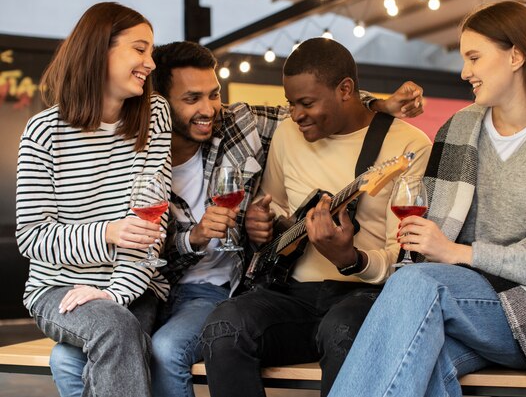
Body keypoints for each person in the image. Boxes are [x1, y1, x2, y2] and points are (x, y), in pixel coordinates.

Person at [48, 40, 425, 397]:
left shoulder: (238, 124)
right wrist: (201, 236)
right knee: (65, 359)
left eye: (214, 94)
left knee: (169, 349)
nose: (210, 108)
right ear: (159, 104)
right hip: (149, 284)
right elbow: (124, 236)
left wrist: (378, 105)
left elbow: (324, 105)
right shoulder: (128, 151)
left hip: (221, 289)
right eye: (192, 98)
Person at [327, 1, 526, 397]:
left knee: (418, 284)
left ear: (516, 55)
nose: (465, 72)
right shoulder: (460, 128)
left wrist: (455, 252)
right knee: (424, 362)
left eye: (475, 57)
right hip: (472, 302)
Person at [201, 37, 433, 397]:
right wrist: (262, 224)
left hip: (366, 295)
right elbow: (275, 204)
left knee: (341, 330)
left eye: (306, 103)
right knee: (224, 327)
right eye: (290, 104)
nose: (295, 115)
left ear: (345, 90)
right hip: (293, 293)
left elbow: (406, 260)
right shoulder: (287, 133)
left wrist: (350, 259)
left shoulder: (407, 145)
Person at [15, 2, 171, 397]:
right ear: (100, 48)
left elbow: (153, 226)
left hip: (132, 285)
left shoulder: (155, 116)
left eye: (151, 51)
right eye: (139, 49)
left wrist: (114, 293)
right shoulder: (43, 132)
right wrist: (108, 233)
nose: (150, 63)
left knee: (107, 329)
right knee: (113, 328)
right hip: (58, 288)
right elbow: (32, 236)